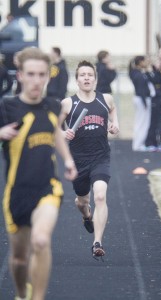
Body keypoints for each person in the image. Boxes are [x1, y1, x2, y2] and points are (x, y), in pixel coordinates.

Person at [0, 47, 77, 300]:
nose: (36, 80)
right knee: (20, 259)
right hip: (16, 194)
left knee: (41, 240)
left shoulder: (53, 105)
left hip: (48, 188)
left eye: (41, 74)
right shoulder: (7, 107)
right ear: (20, 75)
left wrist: (67, 160)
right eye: (31, 74)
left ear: (47, 76)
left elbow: (55, 132)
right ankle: (22, 293)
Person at [59, 60, 119, 259]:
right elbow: (55, 129)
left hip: (100, 157)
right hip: (79, 161)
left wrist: (114, 124)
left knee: (100, 195)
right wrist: (64, 133)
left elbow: (112, 112)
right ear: (76, 80)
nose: (86, 78)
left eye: (90, 75)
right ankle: (87, 216)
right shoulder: (68, 104)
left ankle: (97, 243)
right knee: (82, 201)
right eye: (82, 75)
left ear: (95, 79)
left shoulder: (106, 99)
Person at [128, 55, 153, 151]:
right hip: (142, 99)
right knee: (142, 122)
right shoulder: (137, 74)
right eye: (145, 61)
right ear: (140, 62)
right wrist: (144, 102)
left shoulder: (138, 73)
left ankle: (139, 143)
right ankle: (138, 144)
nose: (147, 63)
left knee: (141, 122)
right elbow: (141, 89)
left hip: (141, 99)